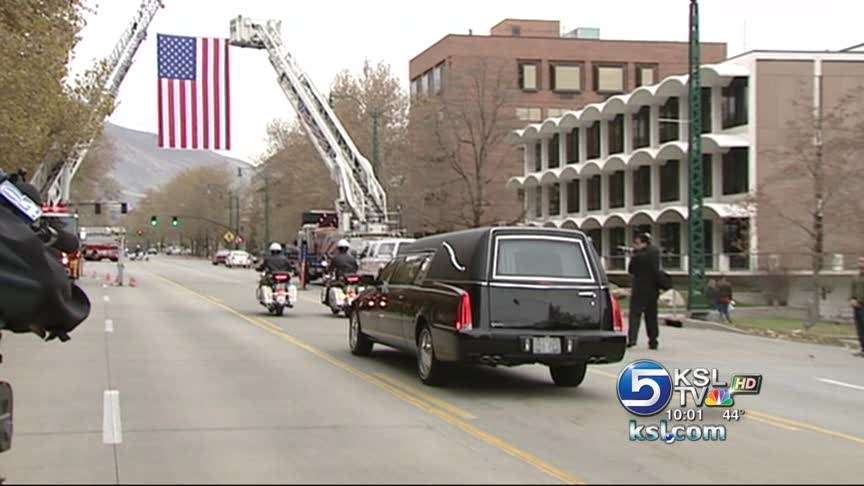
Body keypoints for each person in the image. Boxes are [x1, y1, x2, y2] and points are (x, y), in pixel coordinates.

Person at [627, 232, 661, 350]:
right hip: (653, 289)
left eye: (636, 243)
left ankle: (632, 339)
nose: (635, 246)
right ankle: (653, 340)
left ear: (643, 243)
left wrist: (633, 256)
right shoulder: (655, 252)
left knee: (635, 314)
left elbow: (631, 270)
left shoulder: (638, 256)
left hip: (639, 289)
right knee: (651, 315)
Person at [850, 257, 864, 358]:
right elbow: (852, 290)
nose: (861, 264)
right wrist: (852, 299)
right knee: (859, 329)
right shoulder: (855, 277)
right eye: (860, 262)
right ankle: (862, 349)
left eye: (863, 262)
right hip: (856, 307)